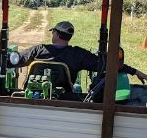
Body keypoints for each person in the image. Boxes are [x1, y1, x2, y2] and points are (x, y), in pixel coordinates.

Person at [13, 21, 147, 91]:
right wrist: (135, 71)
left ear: (56, 34)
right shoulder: (78, 54)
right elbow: (110, 64)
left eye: (53, 32)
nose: (52, 34)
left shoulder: (38, 50)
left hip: (32, 95)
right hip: (66, 95)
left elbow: (15, 60)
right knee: (77, 87)